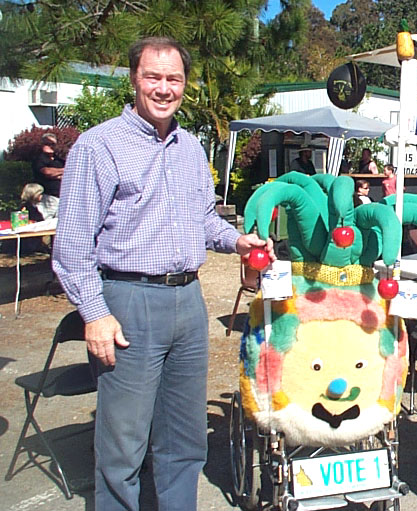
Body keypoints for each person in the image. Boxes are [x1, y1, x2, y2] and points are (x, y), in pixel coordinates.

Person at [52, 36, 275, 511]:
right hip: (127, 303)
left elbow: (203, 219)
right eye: (153, 76)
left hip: (188, 303)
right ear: (134, 79)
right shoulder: (99, 146)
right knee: (123, 448)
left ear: (185, 84)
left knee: (184, 440)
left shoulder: (190, 147)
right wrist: (94, 314)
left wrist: (238, 241)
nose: (163, 88)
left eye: (173, 78)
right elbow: (71, 245)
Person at [32, 133, 65, 217]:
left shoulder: (59, 160)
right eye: (47, 143)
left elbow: (67, 175)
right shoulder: (39, 158)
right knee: (48, 221)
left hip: (61, 197)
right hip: (47, 197)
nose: (50, 146)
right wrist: (63, 171)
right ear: (42, 144)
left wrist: (56, 173)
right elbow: (46, 172)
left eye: (53, 144)